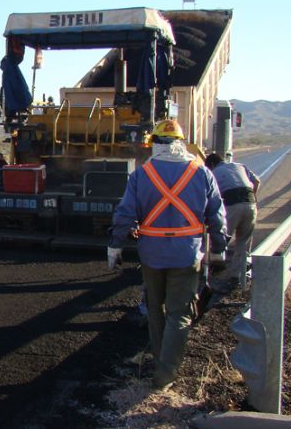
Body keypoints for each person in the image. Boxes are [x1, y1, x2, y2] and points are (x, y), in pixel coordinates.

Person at [108, 119, 227, 390]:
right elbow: (217, 216)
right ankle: (165, 373)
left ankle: (160, 360)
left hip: (151, 255)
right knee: (179, 314)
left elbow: (125, 214)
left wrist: (115, 246)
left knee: (155, 309)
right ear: (180, 143)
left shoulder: (142, 174)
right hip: (186, 256)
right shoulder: (201, 173)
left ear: (155, 145)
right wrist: (218, 247)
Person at [205, 152, 260, 292]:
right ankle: (237, 278)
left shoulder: (214, 173)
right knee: (243, 243)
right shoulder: (239, 166)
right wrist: (254, 198)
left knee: (221, 239)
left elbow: (210, 196)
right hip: (251, 205)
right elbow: (257, 181)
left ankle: (213, 276)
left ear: (211, 165)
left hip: (231, 206)